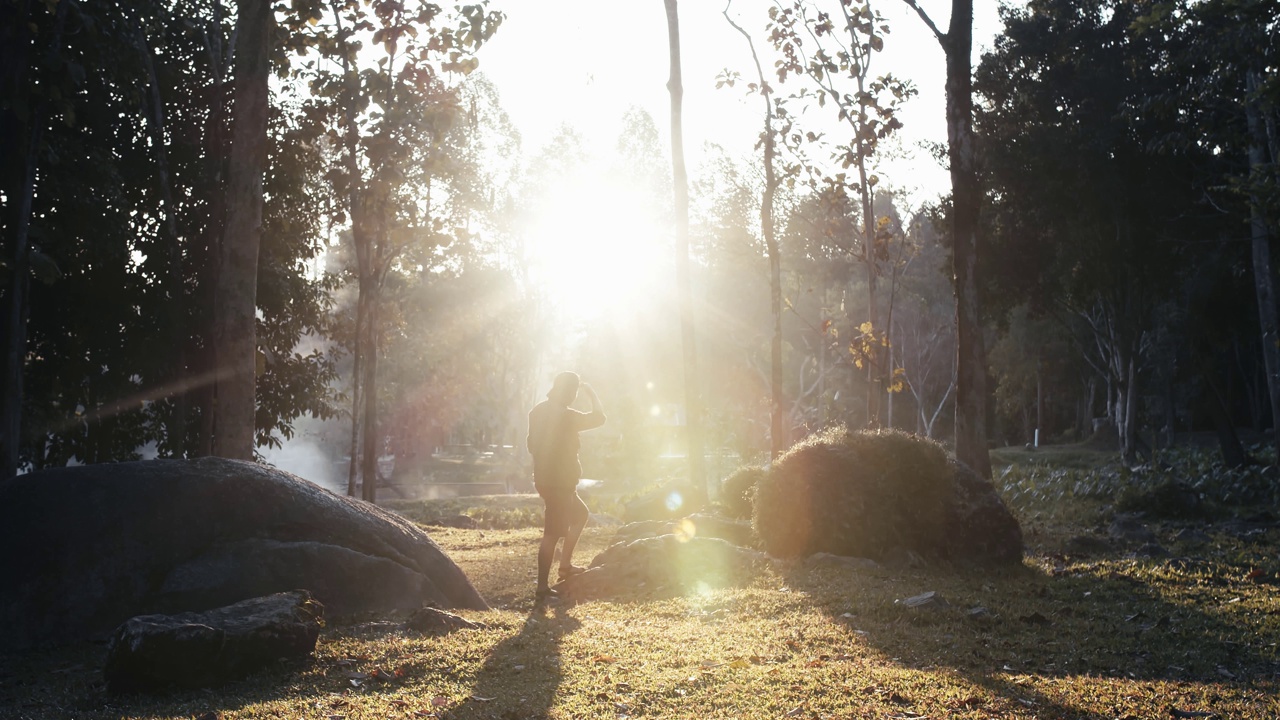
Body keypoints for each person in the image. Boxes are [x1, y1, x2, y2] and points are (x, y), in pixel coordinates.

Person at [526, 371, 605, 600]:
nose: (573, 397)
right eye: (573, 393)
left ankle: (565, 566)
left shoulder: (536, 412)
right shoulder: (567, 416)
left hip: (545, 479)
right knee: (551, 534)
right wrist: (591, 394)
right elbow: (600, 417)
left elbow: (531, 444)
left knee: (580, 515)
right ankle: (542, 589)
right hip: (559, 483)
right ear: (567, 392)